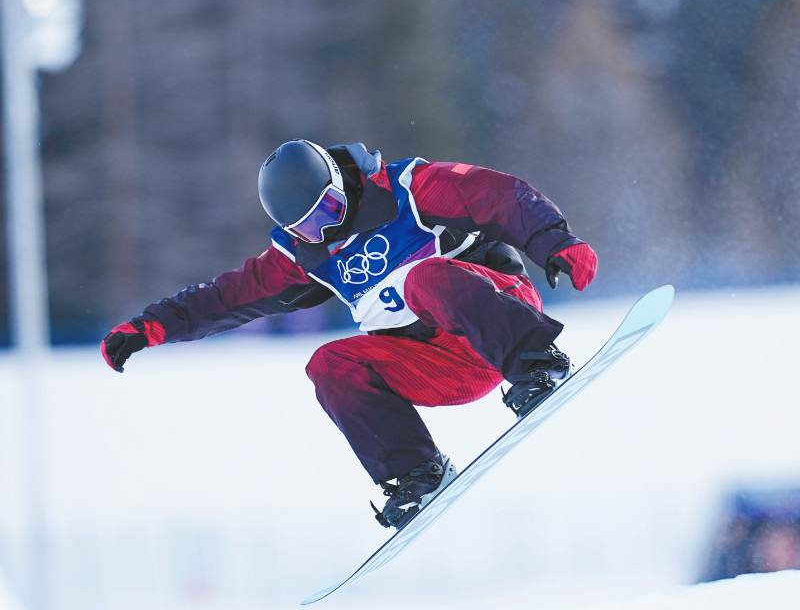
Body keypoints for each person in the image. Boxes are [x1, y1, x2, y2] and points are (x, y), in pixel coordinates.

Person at [101, 140, 597, 529]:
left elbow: (500, 196)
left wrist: (556, 242)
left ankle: (540, 365)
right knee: (329, 364)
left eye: (330, 209)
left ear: (342, 182)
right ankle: (417, 472)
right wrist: (152, 326)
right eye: (309, 227)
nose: (326, 229)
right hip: (443, 365)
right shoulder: (306, 255)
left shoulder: (408, 188)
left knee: (423, 279)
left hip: (497, 317)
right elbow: (228, 295)